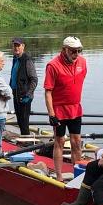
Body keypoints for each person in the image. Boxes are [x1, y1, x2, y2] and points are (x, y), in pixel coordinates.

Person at [43, 36, 87, 182]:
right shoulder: (53, 65)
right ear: (64, 50)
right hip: (59, 111)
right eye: (73, 51)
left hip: (75, 109)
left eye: (78, 51)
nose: (76, 54)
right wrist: (51, 114)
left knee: (76, 141)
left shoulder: (82, 62)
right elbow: (48, 91)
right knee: (60, 141)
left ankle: (78, 177)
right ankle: (59, 176)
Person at [9, 37, 38, 135]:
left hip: (24, 96)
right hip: (16, 95)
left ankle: (27, 144)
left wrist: (29, 95)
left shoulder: (27, 60)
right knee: (20, 122)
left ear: (23, 46)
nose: (16, 48)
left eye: (18, 45)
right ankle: (23, 141)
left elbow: (34, 79)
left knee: (24, 123)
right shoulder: (15, 58)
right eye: (14, 45)